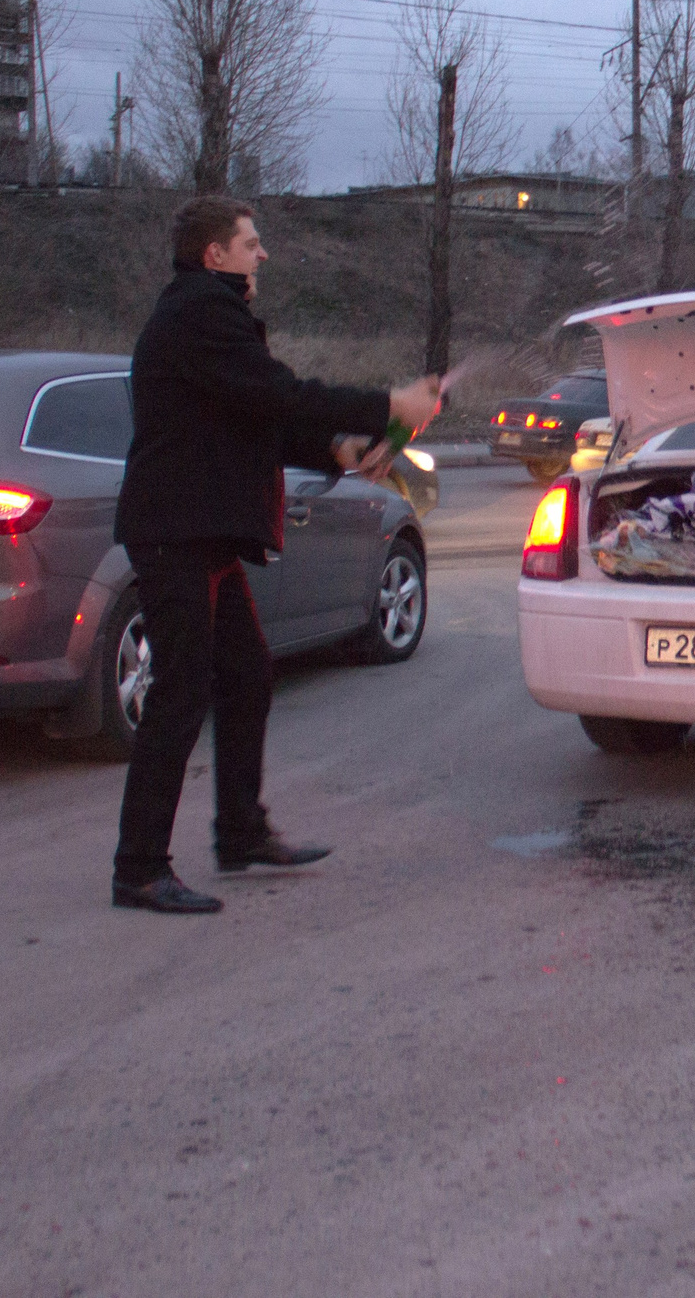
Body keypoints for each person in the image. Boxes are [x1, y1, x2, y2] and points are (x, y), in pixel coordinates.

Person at [110, 196, 442, 914]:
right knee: (180, 692)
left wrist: (338, 447)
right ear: (215, 255)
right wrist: (390, 403)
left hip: (202, 532)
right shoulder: (200, 310)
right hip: (178, 531)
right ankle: (139, 866)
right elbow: (278, 391)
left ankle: (240, 832)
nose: (262, 254)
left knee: (247, 673)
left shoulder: (206, 316)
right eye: (251, 242)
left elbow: (251, 414)